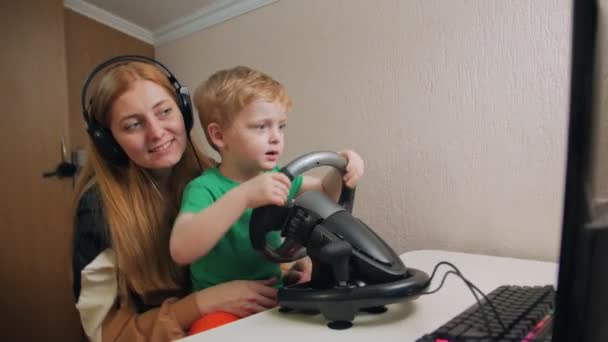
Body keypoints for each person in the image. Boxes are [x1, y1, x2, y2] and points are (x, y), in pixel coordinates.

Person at [72, 58, 281, 342]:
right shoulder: (97, 208)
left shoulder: (214, 175)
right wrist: (201, 304)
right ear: (108, 141)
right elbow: (103, 333)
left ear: (183, 111)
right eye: (133, 125)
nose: (157, 133)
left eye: (165, 112)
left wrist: (291, 266)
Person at [169, 66, 365, 295]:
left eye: (280, 126)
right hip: (220, 306)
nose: (275, 138)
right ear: (219, 136)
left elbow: (324, 193)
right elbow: (181, 250)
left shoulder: (279, 177)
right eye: (261, 127)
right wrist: (244, 197)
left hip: (272, 297)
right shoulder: (204, 188)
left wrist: (343, 169)